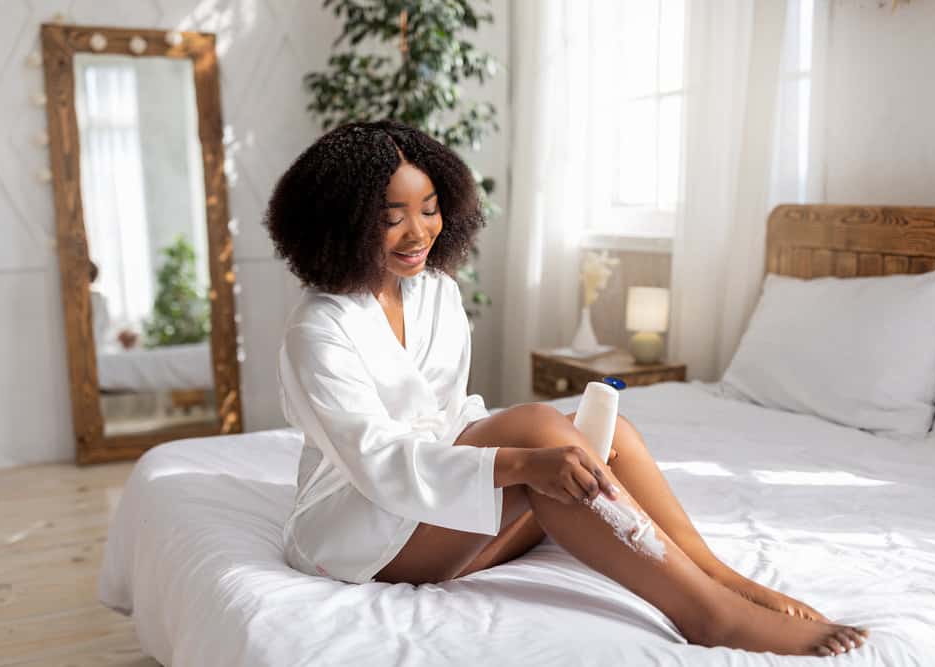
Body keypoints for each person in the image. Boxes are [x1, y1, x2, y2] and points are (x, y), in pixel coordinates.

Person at [265, 120, 867, 657]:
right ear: (340, 225)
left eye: (429, 208)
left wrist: (522, 458)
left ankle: (718, 576)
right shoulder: (319, 329)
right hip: (362, 534)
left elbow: (450, 412)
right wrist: (519, 458)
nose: (418, 232)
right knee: (536, 435)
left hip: (439, 522)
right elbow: (377, 463)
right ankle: (709, 616)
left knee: (606, 436)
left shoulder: (436, 292)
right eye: (391, 218)